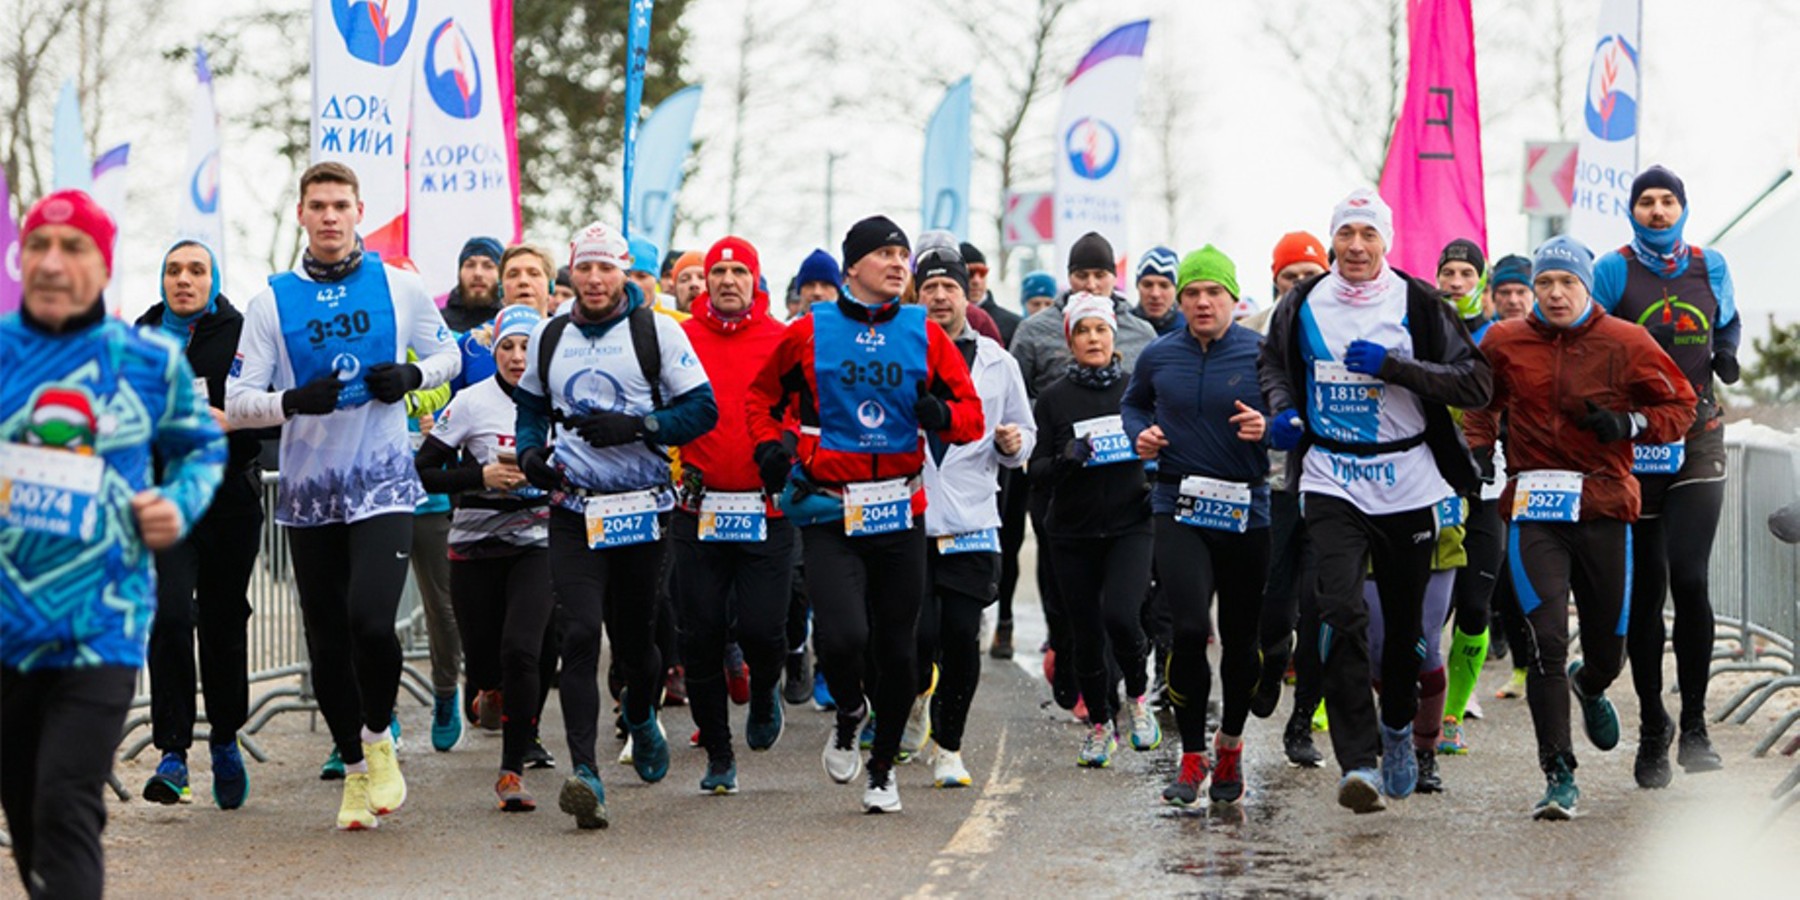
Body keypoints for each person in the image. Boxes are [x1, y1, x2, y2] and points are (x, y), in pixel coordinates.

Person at [1, 190, 225, 897]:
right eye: (39, 246)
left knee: (65, 803)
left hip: (102, 625)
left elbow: (200, 448)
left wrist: (177, 503)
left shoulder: (146, 360)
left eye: (73, 248)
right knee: (28, 815)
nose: (52, 263)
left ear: (103, 265)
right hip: (6, 631)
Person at [227, 161, 462, 830]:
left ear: (359, 211)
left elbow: (448, 356)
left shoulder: (400, 285)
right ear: (302, 214)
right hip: (310, 491)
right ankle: (356, 774)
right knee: (327, 641)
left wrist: (412, 376)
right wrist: (290, 401)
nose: (329, 216)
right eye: (318, 206)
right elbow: (238, 402)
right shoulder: (271, 302)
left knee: (371, 622)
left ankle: (379, 735)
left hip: (384, 482)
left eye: (340, 205)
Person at [1258, 189, 1490, 813]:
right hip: (1331, 477)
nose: (1356, 246)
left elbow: (1476, 382)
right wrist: (1284, 411)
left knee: (1407, 632)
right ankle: (1357, 761)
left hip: (1408, 480)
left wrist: (1395, 367)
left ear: (1386, 241)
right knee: (1339, 614)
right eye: (1346, 234)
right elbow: (1273, 366)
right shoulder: (1302, 302)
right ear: (1333, 239)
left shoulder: (1419, 302)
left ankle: (1397, 730)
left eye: (1368, 234)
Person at [746, 215, 983, 814]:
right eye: (885, 254)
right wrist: (769, 449)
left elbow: (971, 415)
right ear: (852, 267)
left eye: (903, 255)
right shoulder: (809, 331)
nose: (899, 264)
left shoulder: (923, 331)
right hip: (833, 510)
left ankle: (882, 770)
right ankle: (850, 711)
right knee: (845, 636)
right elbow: (760, 399)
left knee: (900, 652)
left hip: (900, 510)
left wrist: (941, 416)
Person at [1465, 235, 1696, 819]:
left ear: (1587, 287)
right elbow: (1481, 402)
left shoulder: (1626, 340)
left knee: (1607, 654)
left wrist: (1628, 423)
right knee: (1545, 641)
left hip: (1602, 506)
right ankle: (1559, 773)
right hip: (1535, 508)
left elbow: (1681, 406)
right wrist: (1479, 448)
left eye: (1568, 282)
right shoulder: (1504, 340)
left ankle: (1589, 684)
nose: (1555, 293)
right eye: (1545, 283)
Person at [513, 219, 718, 829]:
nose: (596, 279)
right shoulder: (551, 334)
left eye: (607, 268)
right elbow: (530, 408)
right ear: (571, 272)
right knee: (578, 633)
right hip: (573, 508)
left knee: (634, 645)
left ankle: (640, 712)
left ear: (624, 272)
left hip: (640, 509)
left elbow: (702, 410)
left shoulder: (655, 331)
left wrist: (641, 426)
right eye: (585, 267)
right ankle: (587, 775)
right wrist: (530, 453)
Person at [1592, 165, 1742, 786]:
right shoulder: (1613, 270)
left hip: (1699, 436)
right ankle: (1654, 725)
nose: (1658, 211)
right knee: (1647, 589)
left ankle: (1697, 726)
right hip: (1637, 442)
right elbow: (1590, 337)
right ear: (1633, 210)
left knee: (1690, 577)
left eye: (1667, 201)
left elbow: (1727, 320)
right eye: (1647, 202)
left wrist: (1725, 352)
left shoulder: (1711, 265)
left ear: (1683, 208)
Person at [1123, 246, 1270, 806]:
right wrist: (1141, 434)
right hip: (1178, 502)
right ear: (1180, 301)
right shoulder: (1159, 355)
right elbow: (1133, 406)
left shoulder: (1261, 353)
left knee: (1241, 638)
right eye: (1192, 293)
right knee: (1186, 630)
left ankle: (1229, 744)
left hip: (1245, 508)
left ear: (1233, 297)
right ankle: (1190, 756)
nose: (1203, 302)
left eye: (1213, 292)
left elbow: (1295, 415)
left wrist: (1270, 425)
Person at [136, 240, 269, 811]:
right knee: (169, 613)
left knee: (222, 619)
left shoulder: (242, 333)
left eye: (196, 270)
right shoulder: (142, 337)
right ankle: (172, 753)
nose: (183, 280)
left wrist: (230, 420)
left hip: (228, 496)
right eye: (173, 270)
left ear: (213, 281)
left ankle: (224, 738)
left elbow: (270, 411)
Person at [414, 305, 554, 810]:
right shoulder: (471, 402)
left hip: (537, 542)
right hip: (474, 546)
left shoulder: (559, 401)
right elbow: (425, 470)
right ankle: (488, 690)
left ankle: (511, 771)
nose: (517, 358)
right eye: (507, 347)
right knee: (486, 662)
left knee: (522, 650)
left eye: (527, 348)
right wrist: (482, 477)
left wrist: (543, 475)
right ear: (493, 352)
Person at [907, 246, 1034, 787]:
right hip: (909, 519)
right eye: (929, 288)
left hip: (971, 520)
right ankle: (915, 697)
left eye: (950, 288)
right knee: (916, 638)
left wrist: (1013, 443)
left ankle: (950, 747)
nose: (940, 297)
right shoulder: (898, 353)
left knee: (960, 635)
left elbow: (1025, 429)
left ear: (966, 296)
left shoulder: (997, 363)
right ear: (915, 295)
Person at [671, 236, 792, 795]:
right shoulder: (679, 337)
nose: (726, 281)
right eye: (717, 272)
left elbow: (801, 409)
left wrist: (784, 451)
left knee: (764, 629)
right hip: (698, 509)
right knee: (700, 633)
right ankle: (718, 754)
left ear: (755, 280)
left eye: (738, 271)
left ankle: (765, 688)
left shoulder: (783, 338)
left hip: (766, 509)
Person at [1030, 293, 1157, 767]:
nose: (1093, 338)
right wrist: (1066, 458)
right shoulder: (1054, 399)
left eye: (1100, 329)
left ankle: (1138, 698)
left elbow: (1164, 445)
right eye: (1082, 331)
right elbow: (1035, 469)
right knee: (1084, 634)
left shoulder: (1135, 390)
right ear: (1070, 341)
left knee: (1122, 617)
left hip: (1130, 524)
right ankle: (1101, 727)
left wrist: (1156, 469)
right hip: (1073, 533)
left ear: (1113, 336)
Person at [1246, 231, 1330, 769]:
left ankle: (1302, 722)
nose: (1299, 284)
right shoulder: (1253, 331)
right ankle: (1274, 655)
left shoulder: (1342, 327)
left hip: (1330, 488)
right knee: (1275, 607)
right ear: (1274, 280)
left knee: (1321, 611)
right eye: (1289, 276)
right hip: (1272, 487)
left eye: (1309, 275)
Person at [1433, 238, 1502, 758]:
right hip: (1430, 487)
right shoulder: (1422, 331)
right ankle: (1414, 705)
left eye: (1466, 274)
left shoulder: (1497, 337)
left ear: (1481, 280)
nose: (1456, 282)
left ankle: (1453, 715)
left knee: (1475, 606)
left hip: (1484, 491)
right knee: (1425, 611)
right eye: (1448, 273)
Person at [439, 236, 505, 332]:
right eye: (470, 265)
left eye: (488, 266)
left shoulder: (511, 324)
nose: (478, 273)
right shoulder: (439, 324)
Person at [964, 241, 1019, 347]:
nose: (976, 281)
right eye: (970, 273)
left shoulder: (1012, 324)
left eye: (982, 273)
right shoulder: (940, 319)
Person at [1129, 246, 1183, 336]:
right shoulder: (1122, 327)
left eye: (1164, 286)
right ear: (1137, 286)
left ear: (1176, 289)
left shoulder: (1191, 331)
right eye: (1147, 285)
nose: (1155, 294)